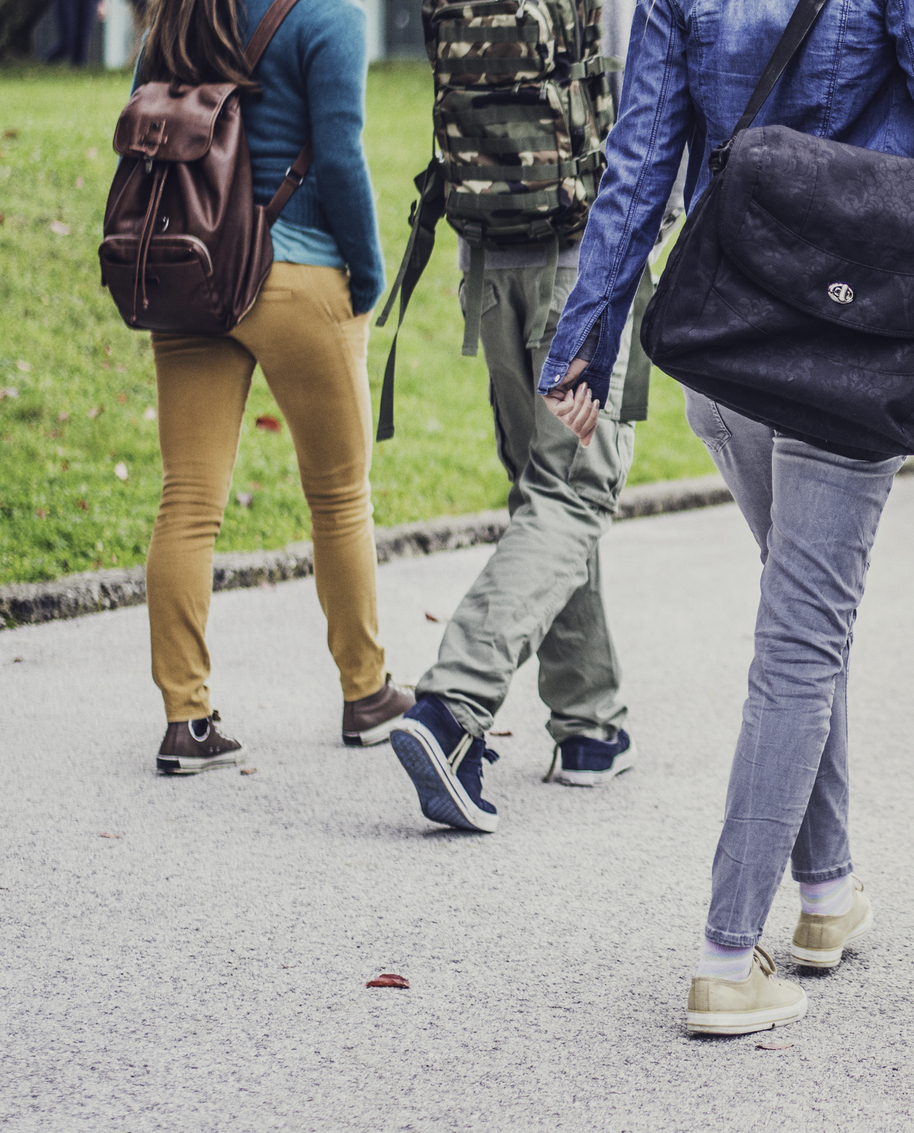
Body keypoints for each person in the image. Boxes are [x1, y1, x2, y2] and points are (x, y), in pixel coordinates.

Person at [530, 0, 914, 1034]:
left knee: (802, 617)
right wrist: (888, 218)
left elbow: (640, 164)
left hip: (727, 320)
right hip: (851, 337)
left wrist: (585, 340)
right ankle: (723, 954)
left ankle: (824, 892)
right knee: (802, 633)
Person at [384, 9, 651, 832]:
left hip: (488, 267)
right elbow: (656, 111)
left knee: (548, 491)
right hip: (585, 268)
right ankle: (453, 706)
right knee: (571, 496)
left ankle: (588, 725)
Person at [139, 0, 411, 774]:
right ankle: (366, 694)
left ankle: (185, 720)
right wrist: (367, 273)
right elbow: (340, 155)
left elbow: (145, 116)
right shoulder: (331, 15)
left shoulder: (181, 12)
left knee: (188, 500)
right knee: (338, 496)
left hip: (191, 269)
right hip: (296, 272)